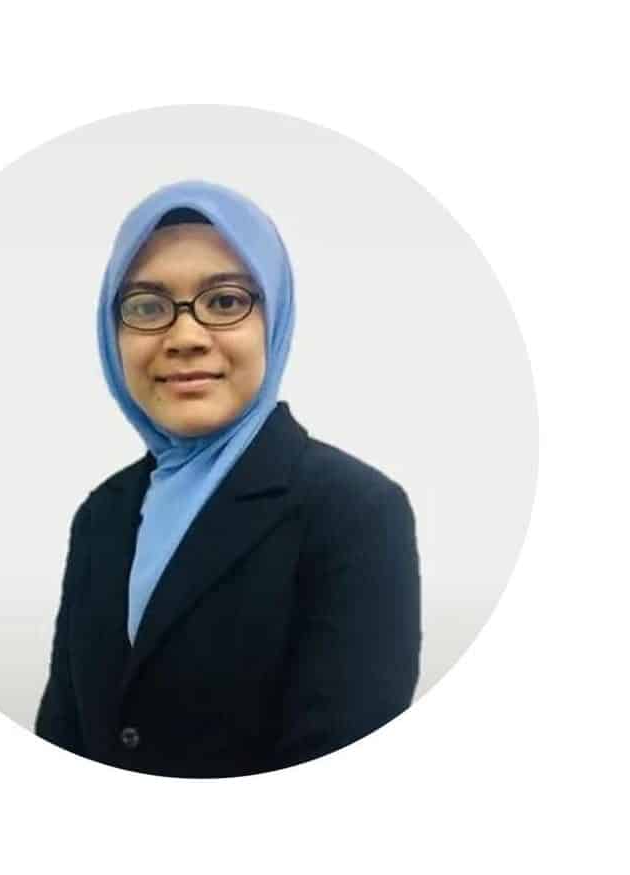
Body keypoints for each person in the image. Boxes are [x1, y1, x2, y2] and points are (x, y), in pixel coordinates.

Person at [35, 180, 421, 778]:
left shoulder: (354, 513)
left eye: (224, 301)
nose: (186, 338)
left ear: (275, 319)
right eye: (146, 306)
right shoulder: (103, 514)